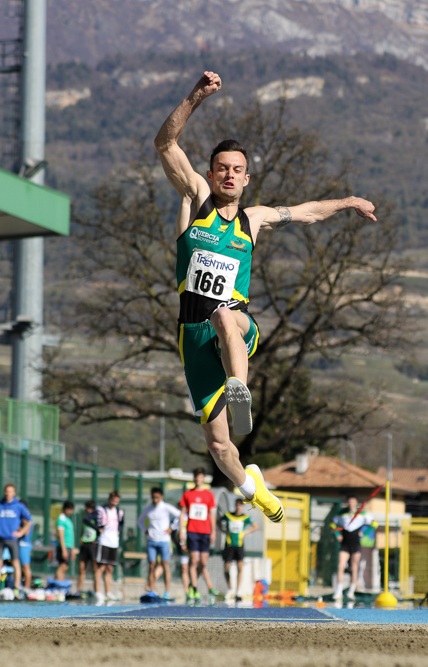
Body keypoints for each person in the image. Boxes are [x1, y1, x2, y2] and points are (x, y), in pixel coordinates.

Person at [154, 72, 377, 526]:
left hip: (237, 326)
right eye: (222, 168)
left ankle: (240, 387)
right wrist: (196, 97)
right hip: (192, 336)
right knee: (220, 447)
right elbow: (165, 143)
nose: (229, 175)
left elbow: (306, 212)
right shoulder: (195, 198)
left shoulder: (253, 220)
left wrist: (347, 201)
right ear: (211, 173)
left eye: (237, 169)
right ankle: (253, 488)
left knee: (224, 315)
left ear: (247, 178)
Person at [0, 483, 31, 598]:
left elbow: (29, 521)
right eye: (6, 491)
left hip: (12, 540)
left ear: (14, 493)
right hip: (0, 539)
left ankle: (16, 588)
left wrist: (20, 532)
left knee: (16, 564)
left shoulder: (19, 506)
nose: (8, 493)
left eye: (10, 491)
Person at [179, 467, 218, 600]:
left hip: (205, 532)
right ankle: (195, 589)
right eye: (196, 476)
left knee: (203, 562)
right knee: (193, 560)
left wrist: (213, 532)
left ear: (203, 478)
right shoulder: (187, 494)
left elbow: (212, 514)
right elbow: (182, 514)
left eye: (200, 476)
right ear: (194, 478)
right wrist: (181, 531)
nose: (198, 479)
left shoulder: (209, 495)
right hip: (192, 531)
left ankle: (192, 585)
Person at [330, 494, 376, 604]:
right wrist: (337, 535)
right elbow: (332, 524)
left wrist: (364, 533)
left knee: (354, 567)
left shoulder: (362, 513)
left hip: (355, 542)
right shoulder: (342, 513)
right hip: (345, 542)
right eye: (349, 502)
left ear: (356, 503)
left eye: (352, 502)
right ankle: (339, 591)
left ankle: (351, 591)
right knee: (341, 566)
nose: (351, 504)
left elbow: (374, 524)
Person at [138, 487, 182, 599]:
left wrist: (172, 528)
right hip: (151, 541)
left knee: (165, 565)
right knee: (151, 565)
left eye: (157, 497)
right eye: (153, 497)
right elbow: (140, 521)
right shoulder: (148, 509)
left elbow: (180, 515)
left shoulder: (166, 507)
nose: (155, 500)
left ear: (161, 497)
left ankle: (167, 591)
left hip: (164, 541)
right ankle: (152, 590)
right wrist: (145, 530)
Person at [221, 497, 258, 601]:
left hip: (239, 545)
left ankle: (238, 591)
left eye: (240, 505)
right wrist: (222, 529)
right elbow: (218, 521)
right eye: (237, 505)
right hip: (229, 545)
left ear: (242, 506)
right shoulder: (228, 516)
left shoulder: (246, 517)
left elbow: (255, 526)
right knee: (226, 568)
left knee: (240, 568)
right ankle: (230, 589)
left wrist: (246, 532)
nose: (238, 507)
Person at [94, 491, 124, 602]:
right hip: (104, 541)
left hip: (114, 542)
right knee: (101, 567)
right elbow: (88, 519)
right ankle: (97, 592)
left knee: (110, 568)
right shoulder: (101, 510)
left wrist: (119, 531)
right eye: (113, 500)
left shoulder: (119, 512)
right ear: (109, 499)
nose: (114, 503)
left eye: (117, 501)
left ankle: (108, 592)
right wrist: (98, 529)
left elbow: (121, 523)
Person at [75, 500, 98, 598]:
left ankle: (96, 591)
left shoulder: (96, 518)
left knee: (95, 568)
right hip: (84, 544)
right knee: (81, 568)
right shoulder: (84, 518)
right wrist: (81, 537)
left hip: (93, 545)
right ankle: (78, 590)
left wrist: (96, 539)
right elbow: (83, 529)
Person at [55, 501, 76, 582]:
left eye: (71, 509)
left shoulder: (68, 520)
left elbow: (71, 536)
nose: (70, 512)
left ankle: (61, 585)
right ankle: (58, 586)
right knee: (62, 566)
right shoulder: (61, 519)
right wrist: (64, 550)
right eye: (69, 509)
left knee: (65, 567)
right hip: (64, 547)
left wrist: (72, 550)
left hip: (69, 547)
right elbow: (61, 535)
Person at [17, 499, 34, 591]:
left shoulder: (25, 517)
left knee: (25, 567)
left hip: (24, 545)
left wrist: (18, 530)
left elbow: (26, 532)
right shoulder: (27, 515)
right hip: (25, 544)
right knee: (22, 567)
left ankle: (26, 588)